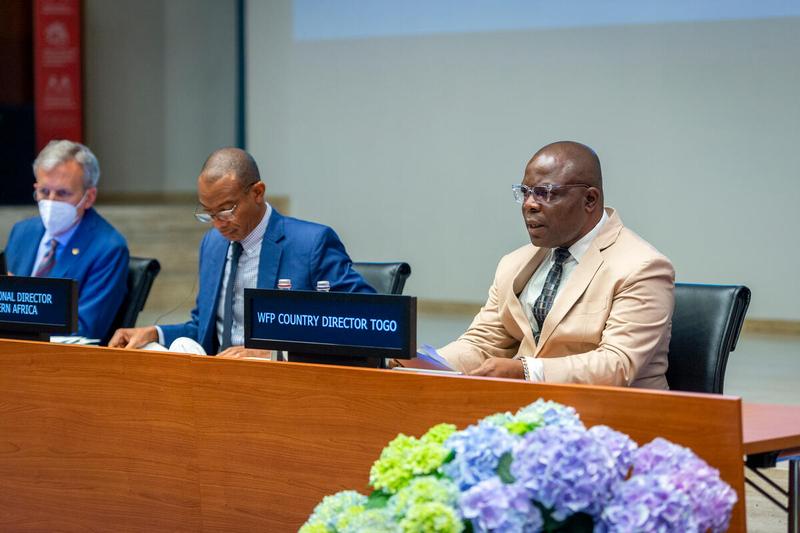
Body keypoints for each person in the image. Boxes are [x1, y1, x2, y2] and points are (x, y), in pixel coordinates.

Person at [439, 141, 674, 389]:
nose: (529, 204)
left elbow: (617, 364)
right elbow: (483, 343)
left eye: (545, 193)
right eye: (525, 192)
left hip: (618, 416)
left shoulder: (642, 267)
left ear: (590, 200)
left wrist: (525, 371)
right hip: (526, 413)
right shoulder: (514, 263)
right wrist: (420, 363)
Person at [109, 147, 374, 357]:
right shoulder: (213, 244)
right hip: (220, 383)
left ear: (257, 193)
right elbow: (204, 329)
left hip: (285, 388)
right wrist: (154, 333)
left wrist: (272, 354)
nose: (217, 223)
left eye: (226, 210)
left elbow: (364, 322)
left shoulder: (310, 244)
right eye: (208, 213)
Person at [4, 140, 129, 340]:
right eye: (44, 192)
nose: (51, 201)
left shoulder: (109, 249)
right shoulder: (23, 232)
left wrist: (17, 305)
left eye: (62, 193)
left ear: (89, 197)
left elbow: (85, 328)